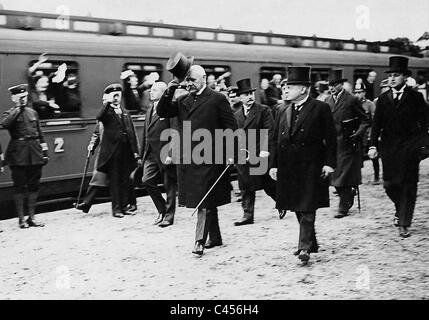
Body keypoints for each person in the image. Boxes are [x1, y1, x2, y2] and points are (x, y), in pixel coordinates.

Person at [157, 53, 238, 256]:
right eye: (187, 80)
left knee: (203, 200)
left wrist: (231, 152)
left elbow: (231, 128)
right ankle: (216, 237)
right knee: (206, 198)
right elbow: (163, 111)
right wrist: (171, 88)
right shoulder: (183, 99)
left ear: (203, 78)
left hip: (211, 157)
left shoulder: (218, 99)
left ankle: (199, 241)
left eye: (192, 80)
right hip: (190, 159)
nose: (189, 83)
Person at [269, 66, 337, 265]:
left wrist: (329, 164)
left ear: (305, 89)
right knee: (297, 206)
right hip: (289, 167)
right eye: (285, 86)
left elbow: (331, 139)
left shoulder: (320, 108)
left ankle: (304, 247)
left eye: (291, 86)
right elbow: (274, 140)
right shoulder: (283, 110)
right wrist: (273, 165)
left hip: (311, 166)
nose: (286, 90)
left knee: (307, 206)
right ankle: (311, 242)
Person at [369, 56, 429, 238]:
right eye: (391, 75)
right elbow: (376, 125)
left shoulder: (416, 97)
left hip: (410, 149)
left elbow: (425, 124)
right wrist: (372, 146)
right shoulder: (383, 99)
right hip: (389, 149)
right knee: (390, 185)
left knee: (408, 186)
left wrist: (421, 146)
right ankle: (399, 208)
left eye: (396, 75)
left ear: (404, 77)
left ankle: (404, 223)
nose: (392, 78)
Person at [0, 84, 48, 229]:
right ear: (13, 98)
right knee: (19, 186)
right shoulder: (9, 113)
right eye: (20, 97)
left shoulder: (32, 112)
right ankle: (21, 219)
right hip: (18, 154)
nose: (23, 99)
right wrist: (18, 108)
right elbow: (5, 124)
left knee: (34, 185)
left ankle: (32, 217)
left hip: (34, 152)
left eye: (25, 97)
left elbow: (40, 134)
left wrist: (45, 152)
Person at [326, 69, 370, 219]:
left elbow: (365, 120)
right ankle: (348, 194)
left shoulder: (351, 99)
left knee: (342, 175)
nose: (331, 88)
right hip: (332, 145)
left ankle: (343, 207)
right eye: (329, 85)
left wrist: (357, 135)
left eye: (334, 84)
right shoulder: (327, 100)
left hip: (347, 143)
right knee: (334, 176)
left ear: (341, 85)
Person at [233, 78, 276, 226]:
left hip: (259, 154)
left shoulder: (264, 110)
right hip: (243, 155)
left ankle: (282, 203)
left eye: (251, 93)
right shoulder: (236, 115)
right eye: (245, 94)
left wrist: (265, 150)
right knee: (245, 185)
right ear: (240, 97)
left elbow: (269, 132)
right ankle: (247, 215)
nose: (250, 97)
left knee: (267, 184)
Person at [96, 84, 141, 218]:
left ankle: (124, 206)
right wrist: (107, 102)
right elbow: (99, 116)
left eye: (118, 95)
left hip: (126, 152)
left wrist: (135, 152)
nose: (116, 98)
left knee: (124, 181)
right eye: (114, 96)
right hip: (113, 153)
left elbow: (131, 133)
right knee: (115, 182)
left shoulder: (125, 112)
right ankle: (116, 209)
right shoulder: (107, 111)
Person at [75, 122, 138, 214]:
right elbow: (97, 133)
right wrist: (92, 144)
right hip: (105, 155)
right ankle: (86, 204)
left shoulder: (121, 116)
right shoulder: (102, 119)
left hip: (119, 154)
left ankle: (132, 203)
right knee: (98, 178)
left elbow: (131, 135)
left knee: (124, 179)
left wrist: (135, 152)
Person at [140, 81, 177, 228]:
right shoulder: (150, 109)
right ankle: (162, 209)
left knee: (169, 185)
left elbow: (175, 132)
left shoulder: (169, 109)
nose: (151, 92)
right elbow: (145, 133)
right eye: (151, 89)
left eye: (155, 90)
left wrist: (171, 154)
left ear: (163, 93)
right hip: (150, 153)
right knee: (146, 180)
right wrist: (142, 153)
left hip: (164, 152)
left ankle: (169, 216)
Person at [354, 81, 379, 184]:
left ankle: (376, 177)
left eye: (360, 92)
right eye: (356, 92)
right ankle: (357, 178)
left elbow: (375, 121)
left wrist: (372, 135)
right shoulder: (353, 103)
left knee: (373, 156)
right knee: (357, 157)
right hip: (358, 133)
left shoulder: (370, 104)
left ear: (364, 93)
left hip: (368, 133)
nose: (358, 94)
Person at [27, 53, 65, 119]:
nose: (45, 84)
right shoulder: (33, 92)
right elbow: (36, 102)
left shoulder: (48, 93)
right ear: (35, 84)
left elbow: (51, 78)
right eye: (42, 82)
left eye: (46, 82)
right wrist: (39, 62)